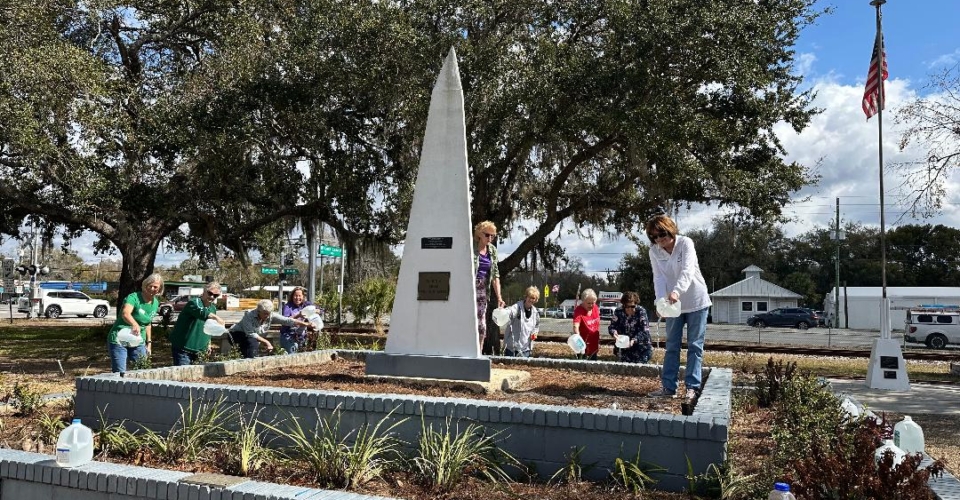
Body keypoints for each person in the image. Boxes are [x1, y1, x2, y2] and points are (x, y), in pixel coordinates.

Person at [646, 214, 712, 400]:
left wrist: (676, 292)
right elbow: (658, 277)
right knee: (672, 346)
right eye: (654, 237)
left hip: (696, 301)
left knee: (695, 346)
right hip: (672, 305)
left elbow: (687, 271)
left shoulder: (685, 243)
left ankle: (692, 387)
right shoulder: (654, 251)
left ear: (670, 230)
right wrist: (660, 301)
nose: (659, 239)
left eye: (662, 234)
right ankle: (668, 387)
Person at [107, 273, 163, 375]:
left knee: (142, 371)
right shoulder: (133, 297)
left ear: (159, 289)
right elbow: (125, 314)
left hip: (138, 340)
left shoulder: (155, 303)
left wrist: (149, 343)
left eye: (155, 287)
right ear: (145, 285)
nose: (152, 288)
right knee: (120, 373)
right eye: (149, 286)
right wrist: (134, 324)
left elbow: (148, 323)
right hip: (120, 338)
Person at [230, 299, 315, 358]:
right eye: (265, 313)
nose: (267, 316)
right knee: (252, 343)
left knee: (253, 344)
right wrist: (267, 342)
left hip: (252, 337)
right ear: (258, 311)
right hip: (236, 334)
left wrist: (306, 324)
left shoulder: (271, 315)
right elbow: (251, 333)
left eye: (268, 313)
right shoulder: (249, 315)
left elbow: (287, 321)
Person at [169, 282, 225, 366]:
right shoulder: (194, 302)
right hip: (183, 349)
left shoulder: (213, 308)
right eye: (210, 293)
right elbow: (202, 312)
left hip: (200, 351)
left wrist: (208, 344)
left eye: (215, 295)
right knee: (185, 373)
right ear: (204, 291)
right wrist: (217, 318)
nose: (212, 297)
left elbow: (210, 327)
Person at [473, 220, 505, 351]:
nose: (490, 238)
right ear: (479, 234)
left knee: (481, 324)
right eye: (487, 235)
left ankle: (479, 353)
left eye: (493, 236)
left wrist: (499, 297)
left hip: (483, 288)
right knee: (468, 321)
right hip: (468, 287)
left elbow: (495, 275)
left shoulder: (492, 250)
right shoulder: (470, 247)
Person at [608, 291, 653, 363]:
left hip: (641, 347)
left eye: (632, 306)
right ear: (623, 305)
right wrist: (614, 332)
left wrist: (634, 340)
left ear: (636, 304)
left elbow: (645, 330)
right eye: (627, 306)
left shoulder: (641, 311)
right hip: (624, 346)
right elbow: (612, 326)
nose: (629, 309)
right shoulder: (618, 311)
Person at [503, 286, 541, 357]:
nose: (531, 300)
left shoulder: (535, 312)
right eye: (529, 297)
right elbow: (510, 311)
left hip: (526, 350)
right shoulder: (517, 307)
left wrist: (535, 333)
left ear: (536, 300)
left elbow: (537, 325)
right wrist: (503, 311)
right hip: (512, 349)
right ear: (526, 297)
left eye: (533, 298)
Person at [280, 286, 313, 354]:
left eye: (299, 296)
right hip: (289, 337)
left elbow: (319, 309)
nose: (297, 298)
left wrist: (317, 310)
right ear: (292, 296)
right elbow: (285, 321)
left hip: (301, 337)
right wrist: (298, 315)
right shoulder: (287, 307)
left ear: (303, 297)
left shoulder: (305, 305)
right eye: (295, 296)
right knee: (292, 356)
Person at [572, 288, 602, 360]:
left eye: (593, 303)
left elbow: (597, 325)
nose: (591, 305)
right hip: (583, 346)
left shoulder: (595, 308)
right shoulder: (579, 311)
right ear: (583, 301)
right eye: (588, 303)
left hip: (594, 344)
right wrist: (579, 340)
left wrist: (598, 339)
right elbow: (576, 326)